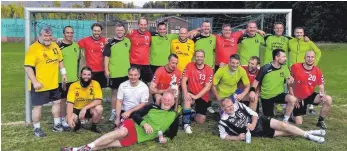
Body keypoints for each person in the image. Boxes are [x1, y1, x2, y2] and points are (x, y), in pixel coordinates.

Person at [61, 92, 179, 151]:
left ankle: (77, 149)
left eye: (169, 100)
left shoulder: (173, 115)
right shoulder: (152, 107)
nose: (166, 101)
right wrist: (144, 123)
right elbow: (135, 115)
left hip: (139, 137)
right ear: (161, 99)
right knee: (121, 133)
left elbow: (172, 134)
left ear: (173, 102)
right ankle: (89, 145)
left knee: (108, 144)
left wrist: (165, 139)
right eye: (164, 99)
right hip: (133, 125)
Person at [218, 98, 325, 144]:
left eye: (231, 105)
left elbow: (254, 114)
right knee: (284, 133)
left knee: (283, 125)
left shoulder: (239, 105)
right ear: (223, 109)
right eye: (228, 107)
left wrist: (253, 123)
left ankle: (310, 136)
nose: (231, 108)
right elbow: (223, 136)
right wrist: (237, 137)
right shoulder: (223, 122)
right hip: (257, 132)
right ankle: (310, 132)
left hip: (261, 121)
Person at [24, 26, 67, 137]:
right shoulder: (33, 49)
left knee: (57, 103)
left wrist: (63, 74)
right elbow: (28, 68)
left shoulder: (54, 45)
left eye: (49, 36)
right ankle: (37, 129)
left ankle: (56, 125)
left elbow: (60, 60)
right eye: (45, 36)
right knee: (38, 106)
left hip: (53, 83)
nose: (47, 38)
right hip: (40, 85)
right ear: (40, 36)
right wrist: (34, 82)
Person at [249, 49, 297, 122]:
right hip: (267, 97)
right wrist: (252, 91)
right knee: (269, 121)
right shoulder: (265, 68)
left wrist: (291, 86)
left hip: (279, 94)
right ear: (276, 58)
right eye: (283, 57)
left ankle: (285, 120)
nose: (286, 59)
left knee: (292, 99)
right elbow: (256, 81)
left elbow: (289, 83)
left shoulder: (285, 68)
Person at [289, 51, 332, 129]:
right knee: (299, 123)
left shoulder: (317, 70)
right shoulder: (295, 67)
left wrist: (322, 95)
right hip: (298, 97)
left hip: (309, 95)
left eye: (312, 57)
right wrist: (293, 97)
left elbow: (321, 86)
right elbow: (289, 83)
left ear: (315, 59)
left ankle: (320, 121)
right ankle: (292, 114)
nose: (310, 59)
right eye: (308, 57)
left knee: (328, 99)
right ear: (304, 58)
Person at [288, 27, 322, 114]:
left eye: (301, 32)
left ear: (303, 33)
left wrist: (314, 64)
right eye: (297, 32)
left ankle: (310, 105)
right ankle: (291, 105)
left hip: (304, 67)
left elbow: (318, 52)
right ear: (294, 33)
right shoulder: (290, 42)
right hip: (292, 68)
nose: (299, 34)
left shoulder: (308, 42)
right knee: (291, 85)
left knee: (307, 85)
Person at [103, 23, 131, 122]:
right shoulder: (110, 43)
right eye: (118, 30)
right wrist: (106, 69)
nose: (120, 32)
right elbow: (106, 57)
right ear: (115, 31)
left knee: (126, 93)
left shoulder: (128, 41)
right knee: (115, 93)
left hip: (126, 73)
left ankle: (124, 111)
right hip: (114, 72)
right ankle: (114, 112)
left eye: (121, 30)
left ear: (124, 31)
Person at [181, 50, 214, 134]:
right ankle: (186, 124)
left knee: (201, 120)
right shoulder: (189, 65)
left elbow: (207, 87)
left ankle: (190, 113)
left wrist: (196, 97)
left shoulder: (209, 69)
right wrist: (185, 93)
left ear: (204, 58)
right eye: (197, 56)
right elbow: (183, 80)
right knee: (188, 97)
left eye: (201, 57)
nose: (199, 58)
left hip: (202, 95)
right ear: (195, 57)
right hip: (191, 92)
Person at [57, 26, 81, 130]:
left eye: (71, 33)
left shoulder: (76, 45)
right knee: (62, 100)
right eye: (67, 33)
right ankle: (62, 119)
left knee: (73, 100)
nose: (70, 35)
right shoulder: (58, 47)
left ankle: (71, 117)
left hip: (74, 79)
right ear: (63, 33)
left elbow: (79, 61)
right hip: (62, 79)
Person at [66, 67, 103, 133]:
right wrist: (69, 119)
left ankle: (93, 127)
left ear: (91, 75)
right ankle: (77, 124)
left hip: (89, 108)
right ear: (81, 75)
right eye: (84, 74)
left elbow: (98, 100)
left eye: (89, 74)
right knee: (69, 118)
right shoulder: (73, 86)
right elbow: (70, 103)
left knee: (99, 108)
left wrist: (85, 108)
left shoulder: (96, 84)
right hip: (76, 109)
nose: (86, 76)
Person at [78, 23, 109, 101]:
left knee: (99, 90)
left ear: (101, 31)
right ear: (92, 31)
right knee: (88, 90)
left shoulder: (105, 41)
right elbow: (74, 46)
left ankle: (97, 107)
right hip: (90, 71)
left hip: (101, 71)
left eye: (98, 31)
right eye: (95, 30)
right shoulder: (85, 40)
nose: (96, 32)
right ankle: (87, 108)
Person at [127, 17, 153, 87]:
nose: (143, 26)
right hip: (134, 63)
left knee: (149, 84)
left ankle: (147, 98)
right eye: (141, 24)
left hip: (146, 64)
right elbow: (122, 40)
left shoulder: (149, 34)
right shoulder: (131, 33)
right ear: (138, 24)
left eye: (145, 24)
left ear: (147, 25)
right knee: (133, 84)